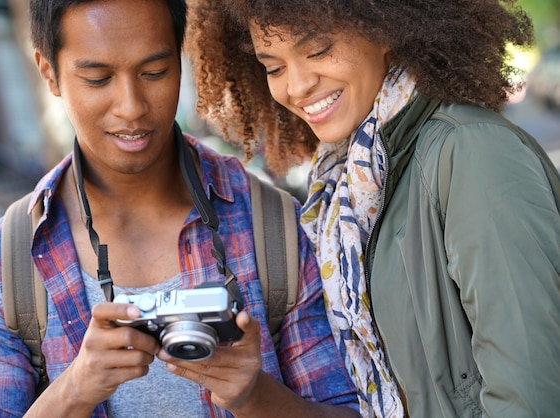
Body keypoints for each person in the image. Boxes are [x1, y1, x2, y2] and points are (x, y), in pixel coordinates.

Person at [0, 0, 362, 416]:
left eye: (154, 73)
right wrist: (75, 389)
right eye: (97, 78)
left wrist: (254, 396)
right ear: (49, 73)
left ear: (180, 62)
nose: (131, 106)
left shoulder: (277, 229)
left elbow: (356, 408)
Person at [185, 1, 560, 417]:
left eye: (318, 49)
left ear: (385, 26)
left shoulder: (472, 153)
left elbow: (530, 398)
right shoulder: (351, 182)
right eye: (273, 67)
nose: (297, 85)